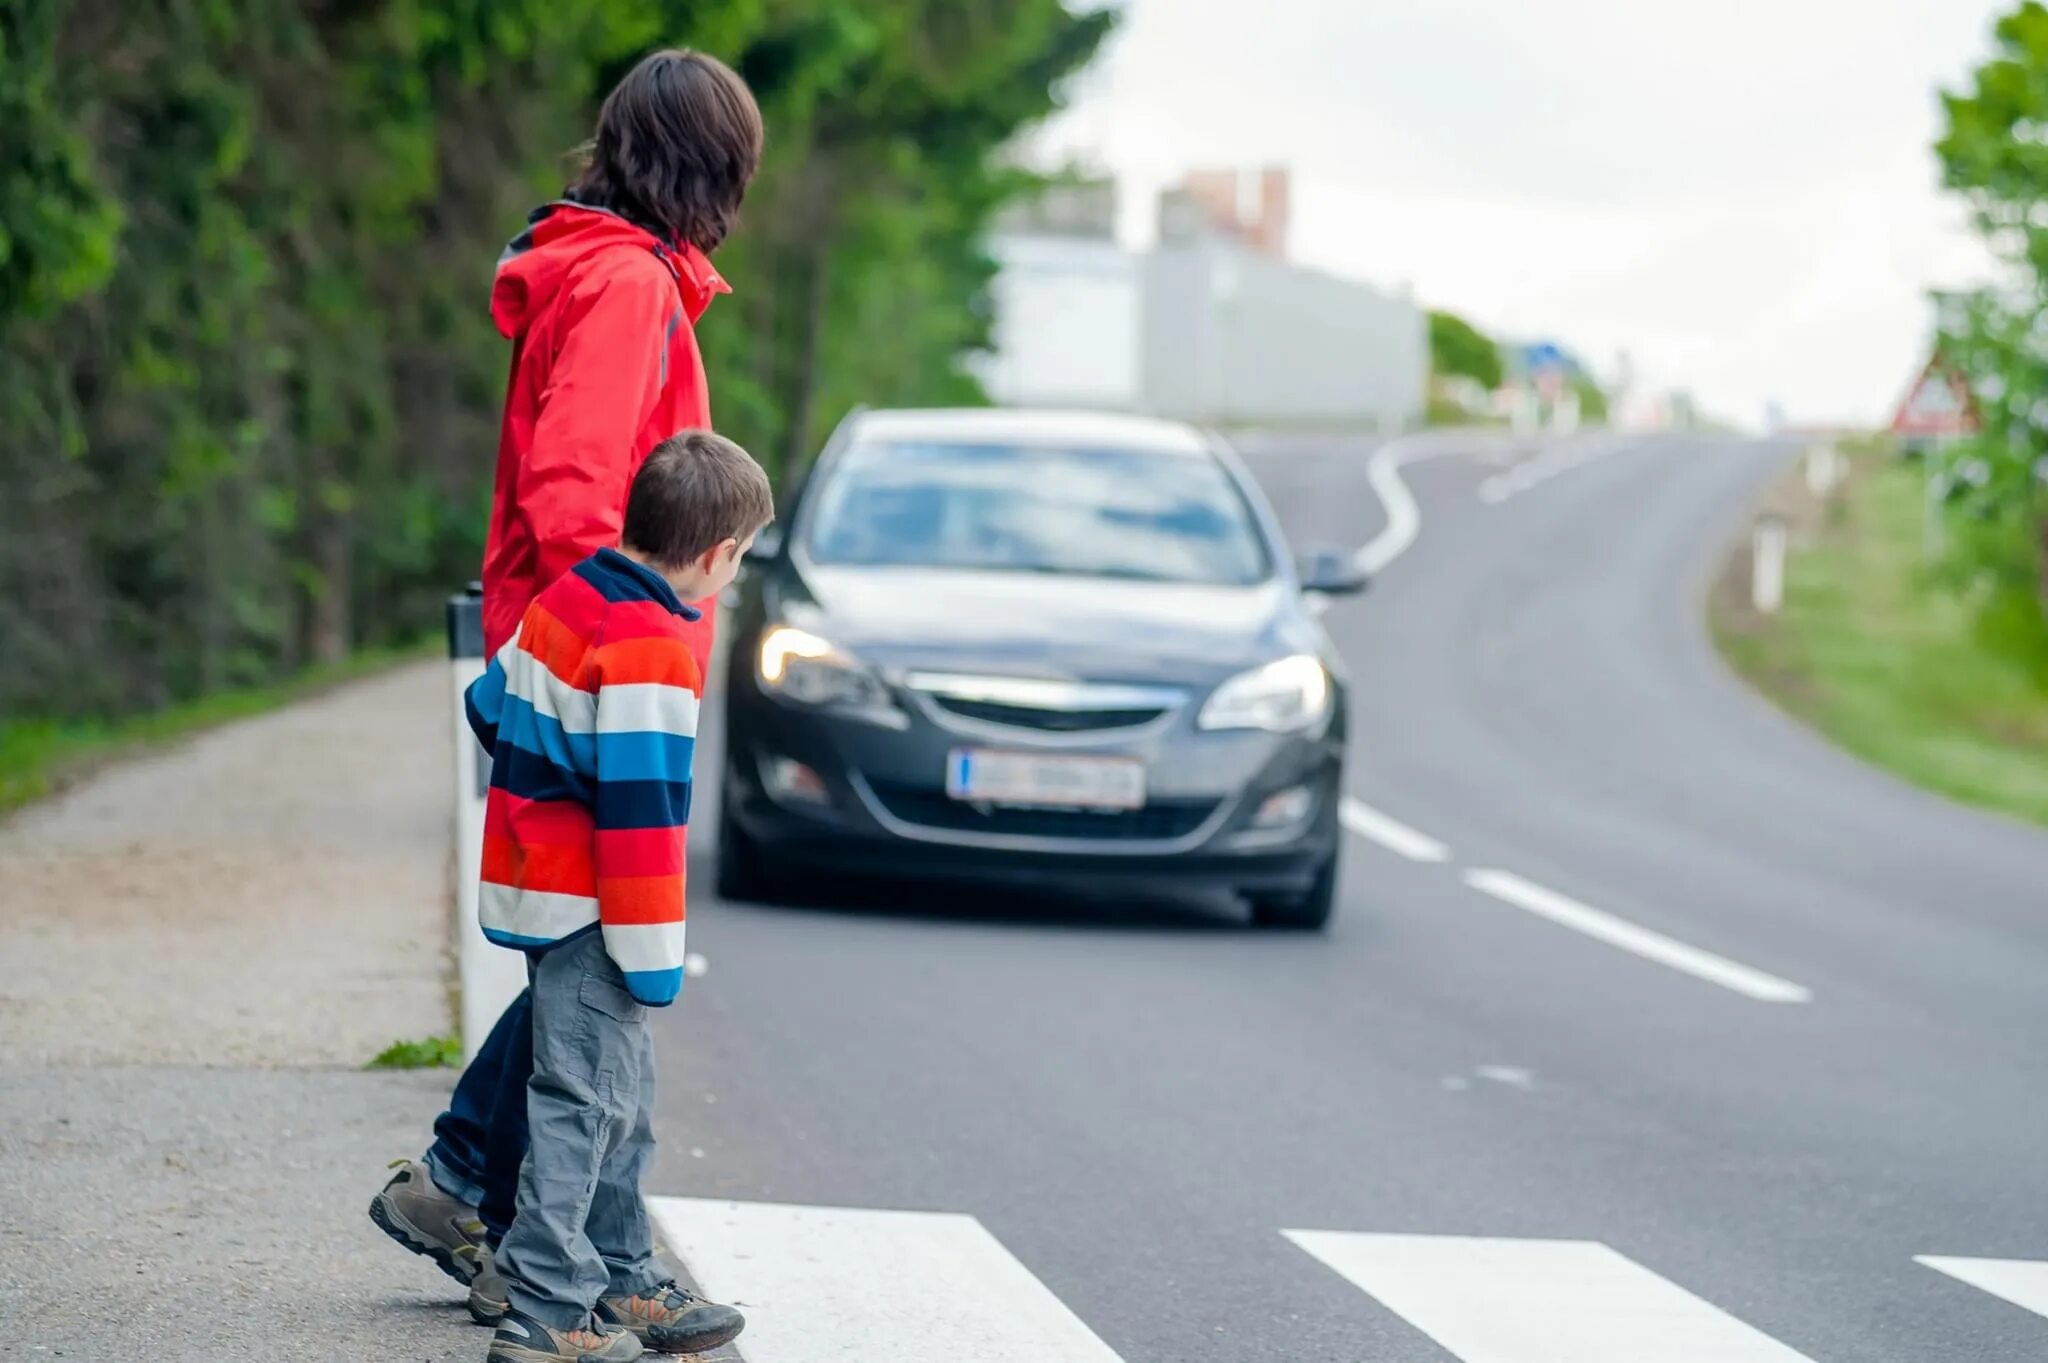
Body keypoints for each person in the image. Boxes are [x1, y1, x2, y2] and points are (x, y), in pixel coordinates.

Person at [365, 45, 763, 1348]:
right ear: (710, 171)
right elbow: (576, 491)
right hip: (593, 663)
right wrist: (627, 632)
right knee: (601, 964)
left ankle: (465, 1186)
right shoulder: (628, 286)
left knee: (576, 958)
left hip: (558, 646)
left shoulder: (599, 269)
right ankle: (595, 1268)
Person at [470, 431, 774, 1362]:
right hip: (597, 907)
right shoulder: (652, 646)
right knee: (582, 1098)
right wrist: (653, 958)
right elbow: (642, 822)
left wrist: (551, 758)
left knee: (616, 1090)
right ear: (718, 555)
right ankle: (551, 1303)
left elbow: (490, 702)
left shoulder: (570, 595)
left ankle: (623, 1270)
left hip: (534, 879)